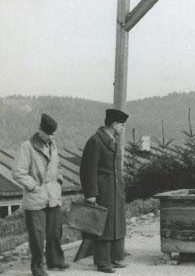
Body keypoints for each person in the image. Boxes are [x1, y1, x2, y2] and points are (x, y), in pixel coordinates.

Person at [13, 114, 69, 276]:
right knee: (37, 235)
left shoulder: (53, 145)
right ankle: (38, 267)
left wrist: (59, 179)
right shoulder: (27, 147)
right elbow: (18, 172)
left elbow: (57, 166)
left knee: (55, 232)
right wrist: (34, 187)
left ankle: (55, 260)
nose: (51, 136)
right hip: (35, 197)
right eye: (48, 133)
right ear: (40, 130)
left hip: (53, 196)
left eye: (53, 133)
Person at [80, 109, 129, 273]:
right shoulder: (95, 141)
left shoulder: (111, 139)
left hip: (114, 190)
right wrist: (91, 194)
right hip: (103, 190)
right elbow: (88, 170)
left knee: (115, 223)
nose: (122, 128)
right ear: (114, 124)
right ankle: (102, 262)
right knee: (103, 225)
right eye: (121, 125)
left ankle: (113, 258)